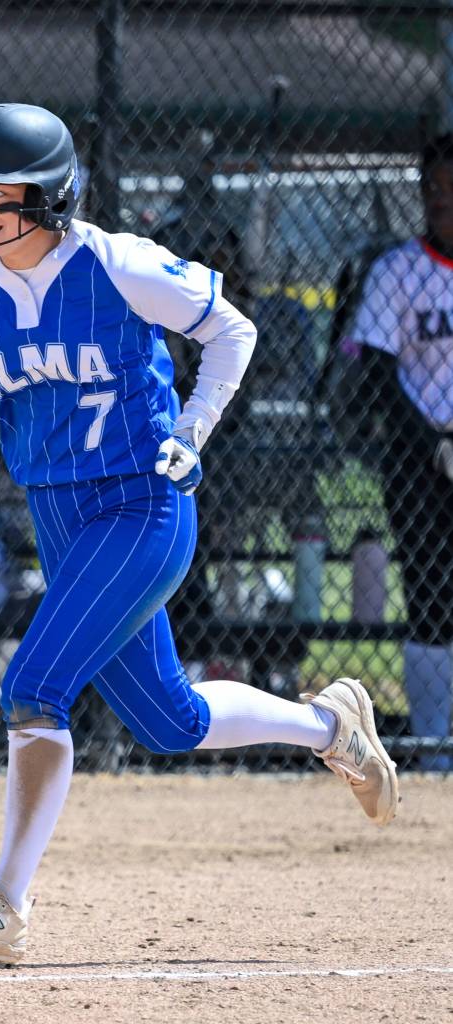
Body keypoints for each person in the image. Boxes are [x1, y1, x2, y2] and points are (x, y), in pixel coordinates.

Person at [0, 103, 399, 964]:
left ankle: (5, 903)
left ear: (50, 196)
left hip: (140, 505)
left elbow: (230, 329)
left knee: (33, 686)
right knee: (170, 721)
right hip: (59, 517)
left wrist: (192, 428)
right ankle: (329, 726)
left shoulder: (114, 262)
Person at [340, 134, 453, 772]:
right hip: (417, 453)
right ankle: (437, 750)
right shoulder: (398, 269)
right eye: (431, 188)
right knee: (431, 593)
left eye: (449, 188)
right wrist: (433, 443)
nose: (439, 200)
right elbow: (379, 370)